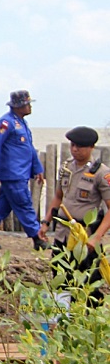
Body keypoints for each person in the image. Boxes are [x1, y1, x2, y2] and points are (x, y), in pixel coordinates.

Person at [39, 126, 110, 304]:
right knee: (60, 279)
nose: (75, 149)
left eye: (80, 146)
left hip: (84, 237)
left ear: (91, 147)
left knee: (87, 284)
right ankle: (62, 323)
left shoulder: (101, 173)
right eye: (72, 145)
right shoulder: (66, 168)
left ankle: (90, 323)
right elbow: (58, 197)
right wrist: (46, 222)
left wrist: (96, 237)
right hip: (62, 233)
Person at [0, 90, 48, 251]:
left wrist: (38, 169)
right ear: (18, 106)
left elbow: (29, 149)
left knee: (3, 205)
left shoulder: (22, 123)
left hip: (22, 172)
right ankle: (37, 238)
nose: (30, 107)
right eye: (27, 104)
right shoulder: (5, 123)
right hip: (13, 174)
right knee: (24, 204)